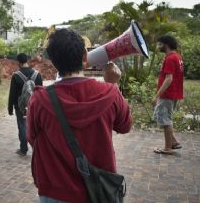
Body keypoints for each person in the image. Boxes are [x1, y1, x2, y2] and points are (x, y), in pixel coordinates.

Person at [26, 29, 132, 203]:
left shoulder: (39, 99)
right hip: (98, 191)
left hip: (55, 192)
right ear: (85, 56)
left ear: (53, 62)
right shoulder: (110, 92)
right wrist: (113, 84)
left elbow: (31, 138)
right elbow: (125, 126)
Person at [153, 35, 184, 155]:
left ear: (166, 45)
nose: (158, 46)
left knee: (165, 120)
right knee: (160, 116)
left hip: (167, 94)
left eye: (160, 44)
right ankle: (174, 142)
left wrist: (157, 95)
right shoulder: (177, 56)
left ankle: (168, 148)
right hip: (173, 93)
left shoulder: (170, 58)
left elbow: (169, 79)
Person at [8, 53, 43, 156]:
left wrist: (10, 108)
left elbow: (12, 94)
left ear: (18, 62)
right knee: (36, 127)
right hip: (35, 105)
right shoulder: (37, 74)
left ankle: (23, 149)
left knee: (22, 127)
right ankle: (37, 149)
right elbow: (41, 92)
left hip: (20, 107)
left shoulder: (16, 76)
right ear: (27, 61)